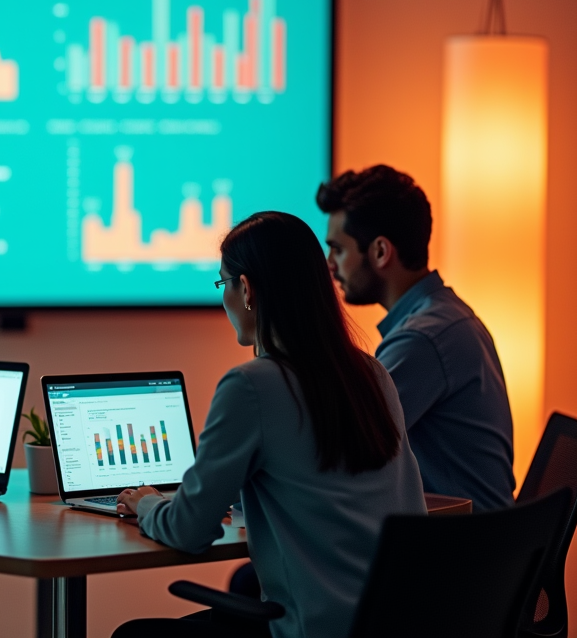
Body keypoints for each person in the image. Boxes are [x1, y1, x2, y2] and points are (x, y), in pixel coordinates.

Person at [112, 211, 426, 638]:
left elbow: (188, 531)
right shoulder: (373, 374)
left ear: (246, 290)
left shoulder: (251, 387)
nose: (224, 296)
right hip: (393, 623)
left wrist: (146, 502)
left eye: (223, 283)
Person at [316, 165, 515, 511]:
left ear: (380, 252)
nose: (330, 265)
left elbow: (342, 448)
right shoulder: (445, 317)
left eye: (338, 250)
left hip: (459, 554)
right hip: (482, 546)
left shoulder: (423, 339)